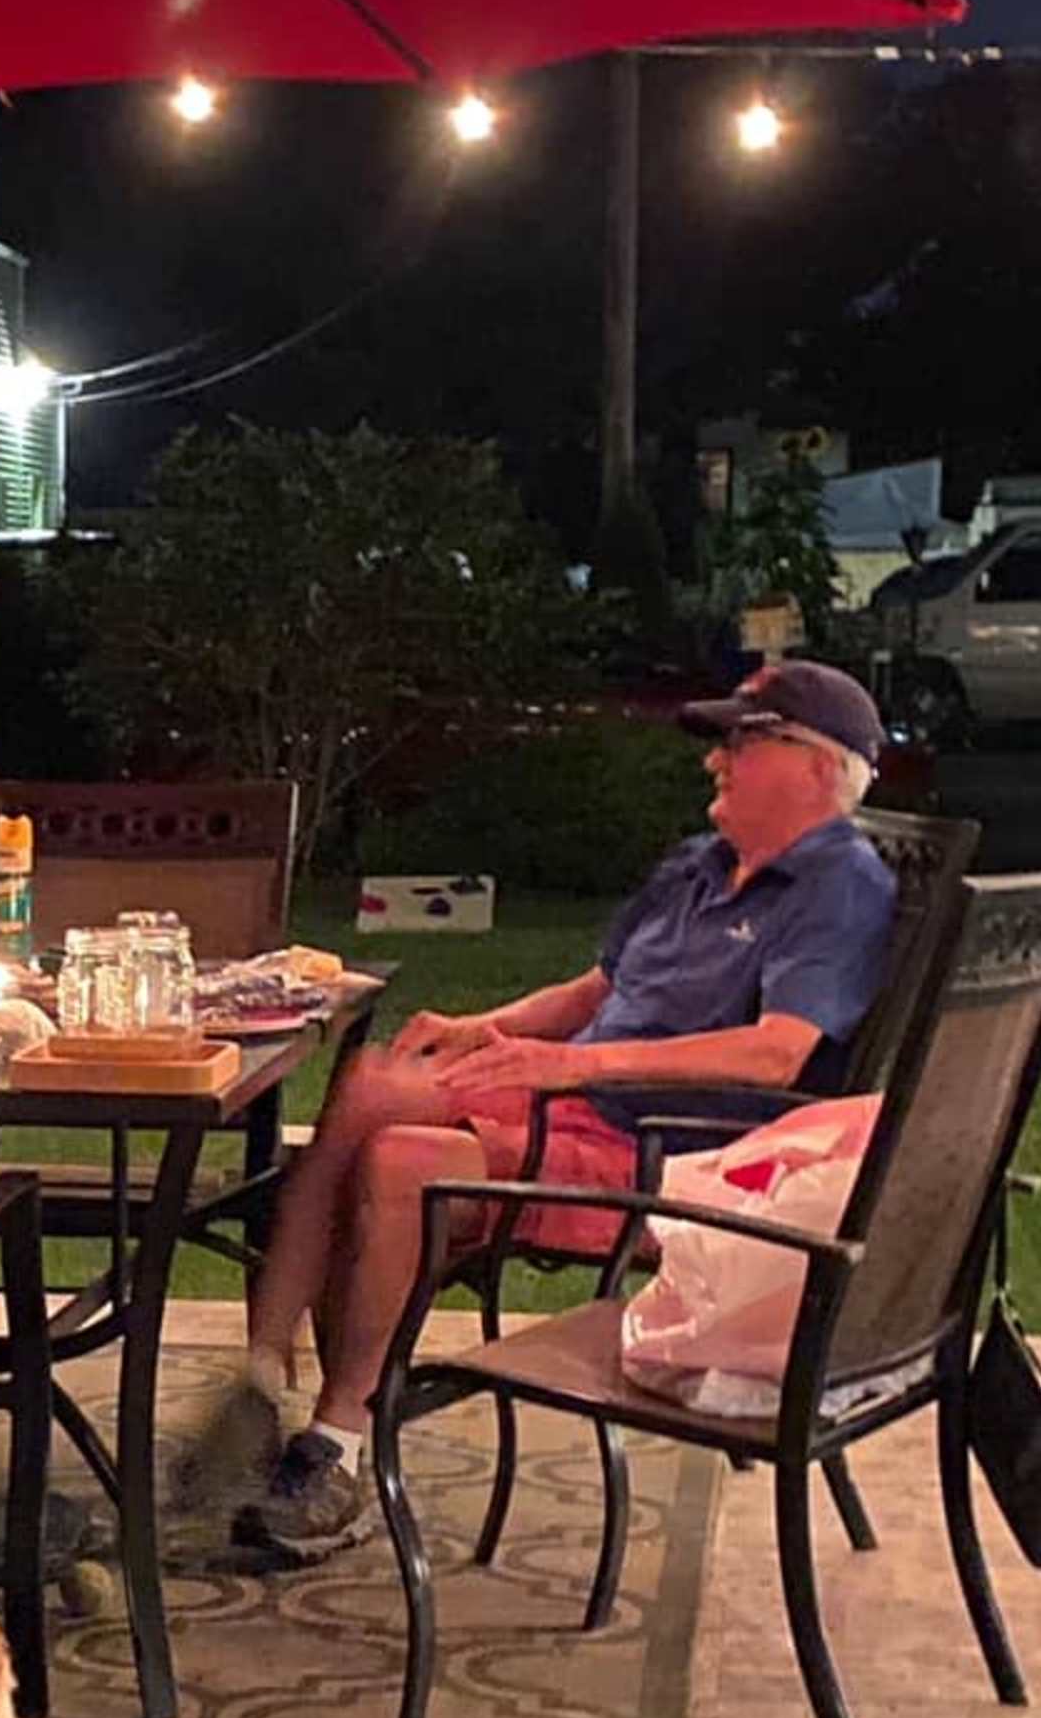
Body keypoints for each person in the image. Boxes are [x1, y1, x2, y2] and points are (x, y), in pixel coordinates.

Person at [191, 658, 905, 1561]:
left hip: (676, 1154)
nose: (714, 763)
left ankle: (333, 1441)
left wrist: (571, 1067)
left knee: (402, 1163)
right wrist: (485, 1028)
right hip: (585, 1107)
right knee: (377, 1076)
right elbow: (594, 986)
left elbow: (779, 1052)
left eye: (740, 743)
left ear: (815, 765)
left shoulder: (839, 884)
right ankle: (265, 1376)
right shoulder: (700, 864)